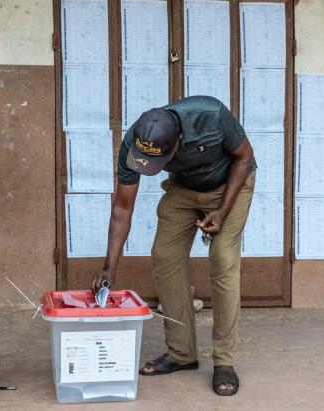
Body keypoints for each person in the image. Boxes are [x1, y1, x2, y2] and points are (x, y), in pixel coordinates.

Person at [91, 95, 256, 396]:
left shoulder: (211, 114)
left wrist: (222, 210)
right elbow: (122, 209)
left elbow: (245, 157)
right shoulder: (134, 143)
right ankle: (182, 353)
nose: (149, 166)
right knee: (164, 255)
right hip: (184, 189)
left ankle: (224, 361)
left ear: (179, 142)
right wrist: (109, 267)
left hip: (230, 185)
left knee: (222, 259)